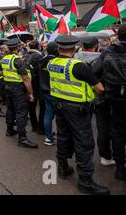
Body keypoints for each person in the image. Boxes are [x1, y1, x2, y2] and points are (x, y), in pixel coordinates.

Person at [47, 35, 109, 195]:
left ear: (59, 48)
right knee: (84, 144)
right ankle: (86, 182)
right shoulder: (78, 66)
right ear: (74, 48)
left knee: (63, 137)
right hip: (78, 110)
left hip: (59, 106)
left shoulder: (51, 63)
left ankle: (62, 167)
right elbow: (100, 88)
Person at [92, 24, 126, 184]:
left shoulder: (107, 52)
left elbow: (95, 72)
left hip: (115, 98)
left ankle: (120, 169)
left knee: (117, 132)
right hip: (115, 97)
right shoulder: (108, 51)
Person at [75, 36, 115, 167]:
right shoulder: (101, 58)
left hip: (81, 98)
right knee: (103, 127)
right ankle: (105, 157)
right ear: (95, 46)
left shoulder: (75, 58)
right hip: (99, 97)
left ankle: (83, 158)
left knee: (82, 129)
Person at [1, 38, 37, 148]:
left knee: (11, 109)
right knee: (21, 113)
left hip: (7, 87)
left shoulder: (4, 59)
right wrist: (30, 93)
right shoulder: (18, 60)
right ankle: (22, 138)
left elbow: (0, 72)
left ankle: (10, 129)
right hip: (18, 88)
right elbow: (26, 79)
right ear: (17, 48)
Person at [38, 42, 58, 146]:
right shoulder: (56, 61)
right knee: (59, 116)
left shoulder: (42, 60)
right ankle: (61, 137)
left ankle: (48, 137)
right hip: (56, 92)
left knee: (48, 115)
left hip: (45, 91)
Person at [23, 40, 44, 134]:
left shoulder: (25, 55)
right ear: (38, 47)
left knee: (31, 106)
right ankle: (40, 127)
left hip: (28, 83)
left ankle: (34, 126)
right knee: (42, 106)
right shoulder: (40, 56)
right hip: (38, 83)